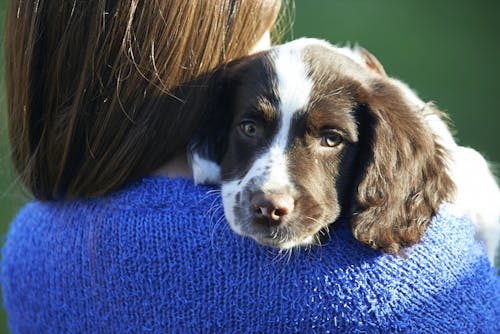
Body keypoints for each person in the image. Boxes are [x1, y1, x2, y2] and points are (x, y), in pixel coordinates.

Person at [1, 0, 499, 333]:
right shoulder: (404, 284)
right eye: (259, 31)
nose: (269, 47)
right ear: (200, 48)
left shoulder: (29, 253)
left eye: (329, 137)